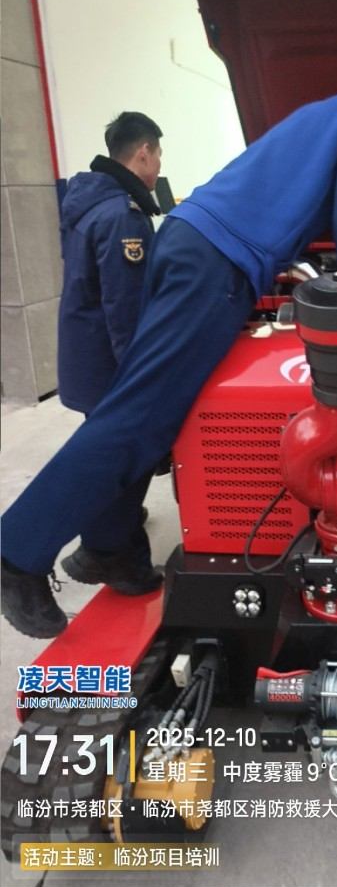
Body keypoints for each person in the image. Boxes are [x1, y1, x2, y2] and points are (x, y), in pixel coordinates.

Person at [1, 91, 337, 639]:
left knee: (151, 418)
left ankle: (108, 547)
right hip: (215, 260)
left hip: (201, 246)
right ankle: (16, 552)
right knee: (137, 415)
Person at [56, 112, 164, 596]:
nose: (158, 168)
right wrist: (139, 384)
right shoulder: (123, 216)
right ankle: (115, 558)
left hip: (85, 357)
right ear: (143, 152)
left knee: (108, 453)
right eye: (158, 156)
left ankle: (111, 528)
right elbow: (127, 311)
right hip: (109, 368)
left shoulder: (88, 202)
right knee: (128, 457)